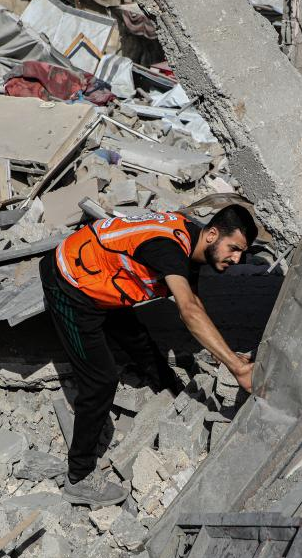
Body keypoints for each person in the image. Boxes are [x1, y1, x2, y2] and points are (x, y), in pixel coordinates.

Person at [39, 204, 258, 507]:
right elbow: (188, 310)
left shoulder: (192, 245)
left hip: (103, 277)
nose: (237, 259)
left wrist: (225, 354)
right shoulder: (168, 248)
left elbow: (194, 303)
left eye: (242, 253)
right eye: (233, 248)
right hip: (70, 283)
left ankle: (168, 388)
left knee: (138, 340)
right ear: (212, 234)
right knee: (100, 381)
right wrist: (238, 368)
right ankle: (79, 477)